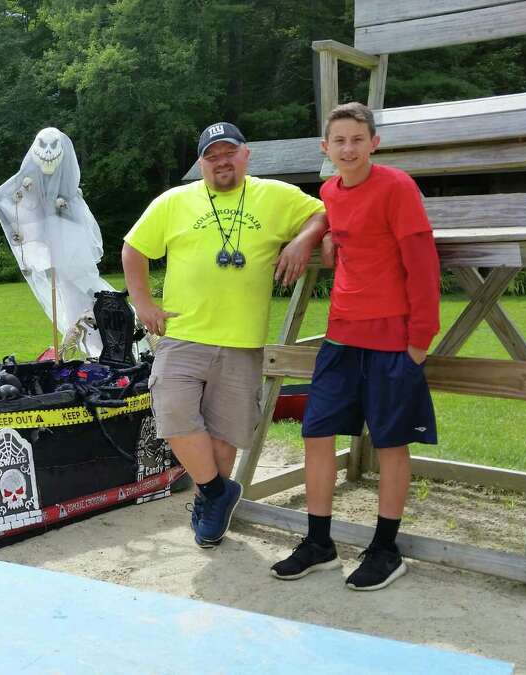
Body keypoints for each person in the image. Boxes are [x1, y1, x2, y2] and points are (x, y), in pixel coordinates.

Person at [123, 122, 328, 548]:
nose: (221, 161)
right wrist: (143, 303)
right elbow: (134, 248)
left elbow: (323, 213)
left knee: (224, 431)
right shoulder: (175, 201)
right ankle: (219, 492)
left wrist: (303, 241)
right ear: (201, 163)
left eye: (228, 152)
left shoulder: (274, 195)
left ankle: (207, 506)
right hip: (183, 333)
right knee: (174, 412)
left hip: (242, 340)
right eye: (212, 156)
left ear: (246, 154)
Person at [270, 102, 440, 591]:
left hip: (392, 340)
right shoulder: (329, 190)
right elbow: (333, 215)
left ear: (374, 144)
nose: (348, 148)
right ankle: (319, 543)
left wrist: (419, 340)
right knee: (316, 432)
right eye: (338, 141)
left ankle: (386, 549)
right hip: (341, 335)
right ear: (326, 149)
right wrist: (320, 236)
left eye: (357, 140)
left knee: (390, 443)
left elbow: (423, 265)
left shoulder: (397, 187)